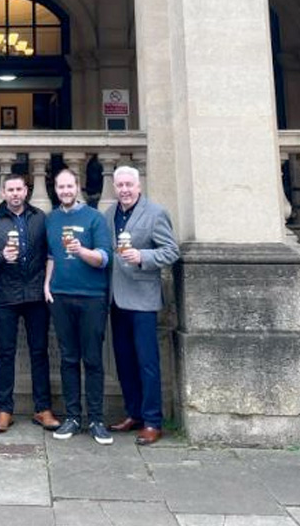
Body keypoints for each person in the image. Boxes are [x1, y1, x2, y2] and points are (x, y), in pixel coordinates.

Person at [0, 174, 61, 433]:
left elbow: (51, 252)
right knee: (5, 353)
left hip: (36, 294)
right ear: (3, 193)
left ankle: (43, 409)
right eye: (10, 190)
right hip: (4, 295)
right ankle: (4, 410)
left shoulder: (39, 218)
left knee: (39, 352)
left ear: (26, 191)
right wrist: (1, 256)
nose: (15, 194)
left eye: (19, 189)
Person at [104, 165, 179, 446]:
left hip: (143, 299)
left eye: (128, 185)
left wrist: (142, 257)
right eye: (120, 185)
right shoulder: (109, 214)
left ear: (138, 186)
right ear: (114, 187)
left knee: (147, 362)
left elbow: (171, 251)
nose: (124, 190)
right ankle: (133, 413)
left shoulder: (155, 213)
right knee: (124, 360)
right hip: (116, 297)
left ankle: (152, 421)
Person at [43, 169, 113, 445]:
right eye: (61, 187)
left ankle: (96, 419)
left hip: (91, 297)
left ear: (78, 186)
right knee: (68, 358)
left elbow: (104, 258)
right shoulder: (52, 219)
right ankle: (72, 417)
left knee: (93, 359)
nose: (65, 191)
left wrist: (80, 250)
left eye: (69, 186)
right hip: (60, 296)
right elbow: (51, 256)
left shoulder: (95, 218)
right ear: (56, 189)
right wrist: (47, 284)